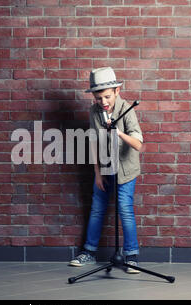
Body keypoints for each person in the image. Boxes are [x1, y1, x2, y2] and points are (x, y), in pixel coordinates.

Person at [69, 67, 143, 273]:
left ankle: (131, 256)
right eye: (98, 97)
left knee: (125, 210)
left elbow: (138, 145)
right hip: (104, 168)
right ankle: (89, 253)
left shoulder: (127, 110)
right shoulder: (94, 112)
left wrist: (118, 133)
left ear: (117, 91)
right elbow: (94, 141)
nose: (103, 102)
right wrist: (97, 172)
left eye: (107, 96)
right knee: (97, 208)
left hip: (126, 170)